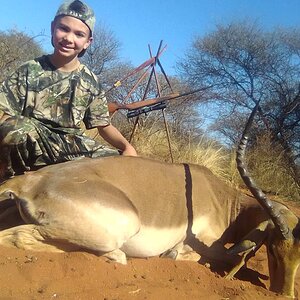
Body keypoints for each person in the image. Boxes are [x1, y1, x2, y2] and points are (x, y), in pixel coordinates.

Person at [0, 0, 137, 179]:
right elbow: (3, 110)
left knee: (119, 163)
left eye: (79, 34)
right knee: (13, 129)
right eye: (63, 29)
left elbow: (103, 125)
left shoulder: (91, 81)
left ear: (88, 42)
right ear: (52, 28)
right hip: (34, 139)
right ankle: (10, 181)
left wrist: (127, 147)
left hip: (70, 146)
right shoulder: (29, 69)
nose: (69, 38)